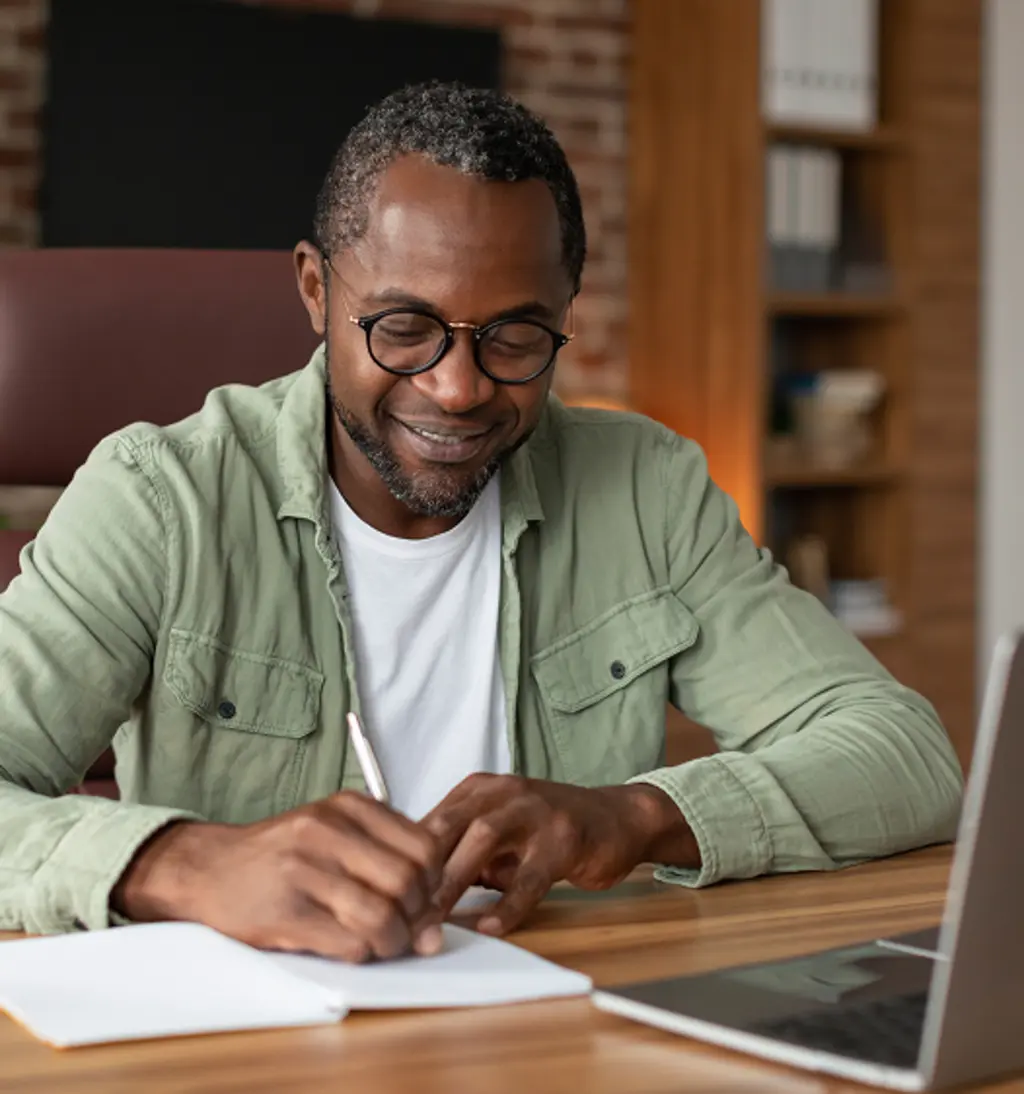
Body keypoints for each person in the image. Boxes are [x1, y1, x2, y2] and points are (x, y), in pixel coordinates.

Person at [0, 83, 961, 962]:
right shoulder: (162, 499)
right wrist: (184, 862)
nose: (457, 390)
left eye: (514, 337)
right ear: (315, 291)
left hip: (556, 1017)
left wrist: (635, 816)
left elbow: (904, 754)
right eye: (404, 329)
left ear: (563, 315)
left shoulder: (645, 489)